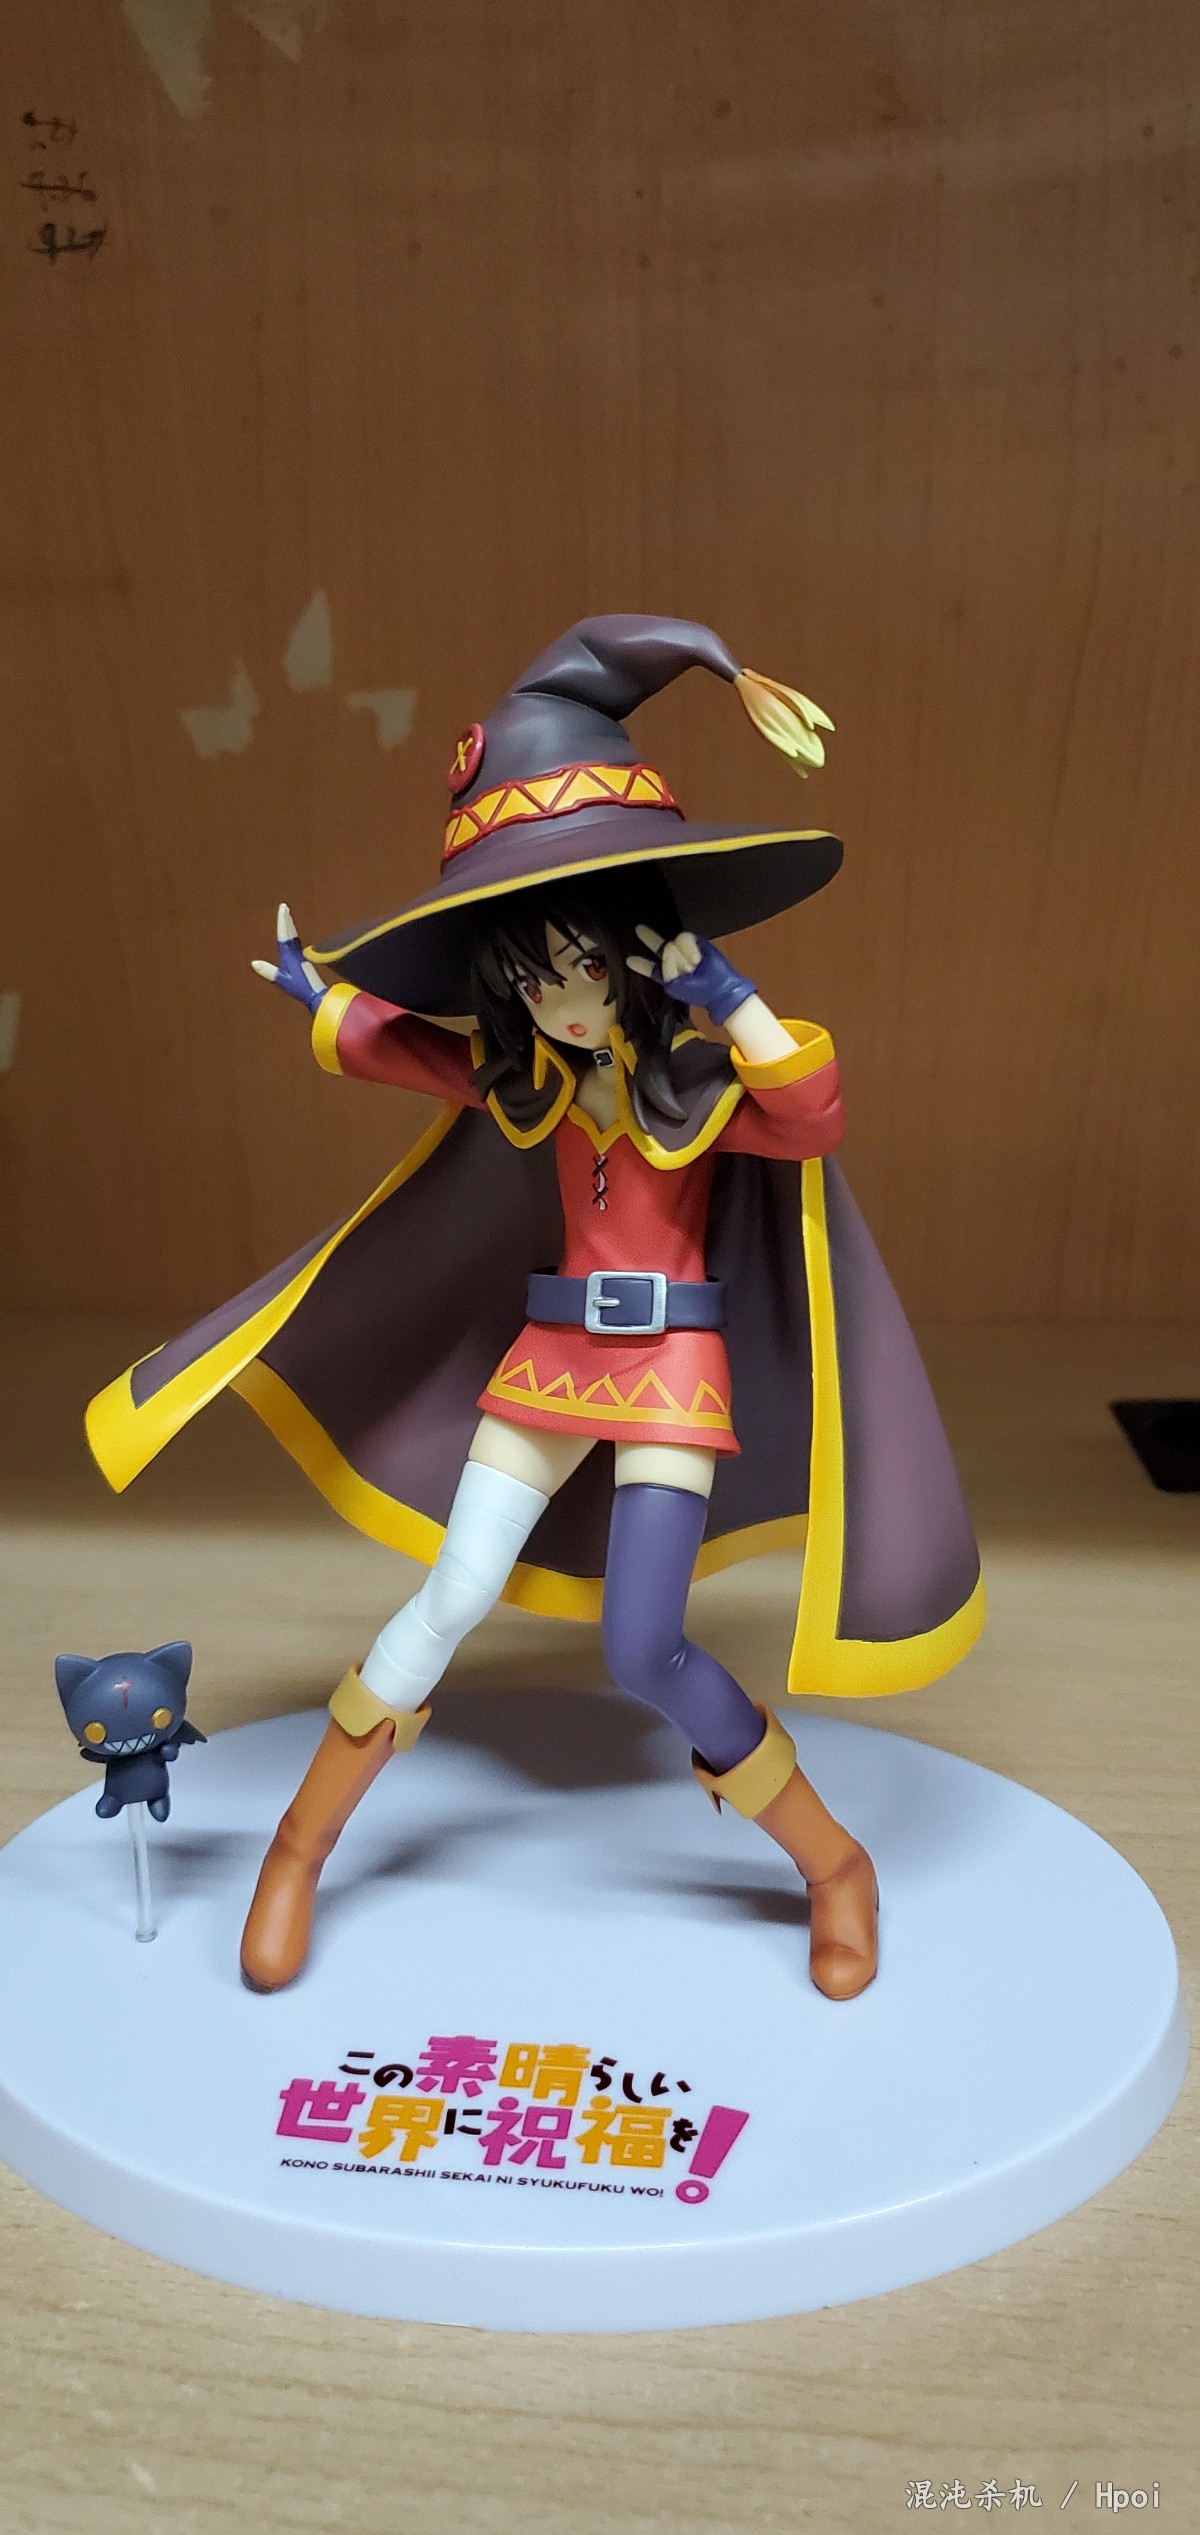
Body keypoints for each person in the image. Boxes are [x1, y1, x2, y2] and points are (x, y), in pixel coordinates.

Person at [86, 615, 984, 2003]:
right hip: (554, 1357)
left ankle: (831, 1863)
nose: (561, 999)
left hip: (672, 1367)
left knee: (646, 1646)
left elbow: (812, 1117)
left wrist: (734, 999)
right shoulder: (532, 1083)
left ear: (637, 953)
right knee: (449, 1594)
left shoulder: (701, 1085)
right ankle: (299, 1850)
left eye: (583, 965)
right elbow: (406, 1052)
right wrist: (320, 998)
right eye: (529, 974)